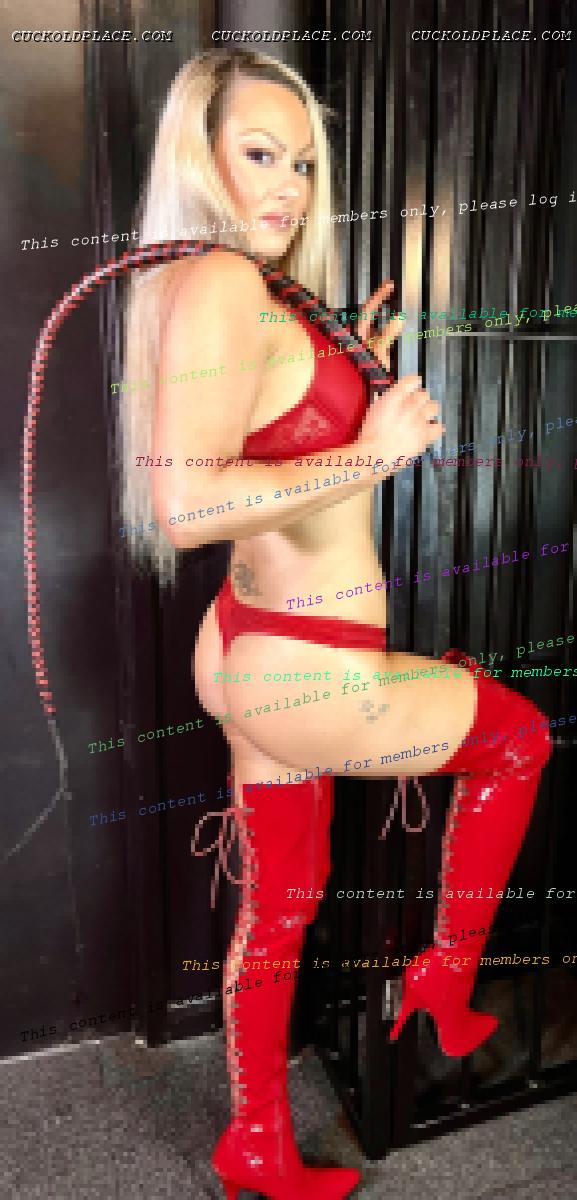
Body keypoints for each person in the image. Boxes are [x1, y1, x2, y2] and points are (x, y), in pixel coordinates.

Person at [119, 48, 552, 1200]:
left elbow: (271, 433)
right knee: (518, 739)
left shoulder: (234, 288)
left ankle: (254, 1140)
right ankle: (443, 981)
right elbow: (185, 506)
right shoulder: (222, 280)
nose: (288, 186)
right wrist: (372, 447)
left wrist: (346, 375)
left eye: (304, 163)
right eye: (260, 154)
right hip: (302, 669)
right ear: (198, 157)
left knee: (280, 906)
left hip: (253, 647)